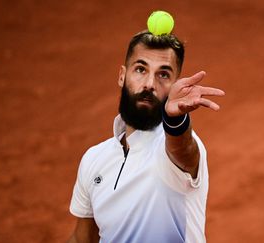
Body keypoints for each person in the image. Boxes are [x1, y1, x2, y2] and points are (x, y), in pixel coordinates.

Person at [68, 30, 224, 243]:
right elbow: (81, 239)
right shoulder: (94, 159)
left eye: (164, 74)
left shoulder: (173, 149)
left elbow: (183, 150)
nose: (150, 83)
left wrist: (175, 121)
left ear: (175, 86)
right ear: (122, 76)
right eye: (141, 69)